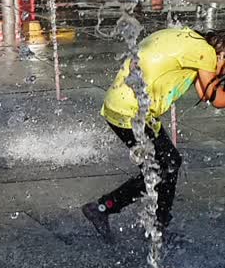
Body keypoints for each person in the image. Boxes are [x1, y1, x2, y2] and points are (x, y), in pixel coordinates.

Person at [82, 29, 225, 241]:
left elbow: (205, 93)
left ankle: (158, 225)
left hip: (126, 104)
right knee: (162, 169)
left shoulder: (194, 43)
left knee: (169, 163)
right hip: (131, 110)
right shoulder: (205, 53)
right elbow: (217, 99)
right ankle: (103, 208)